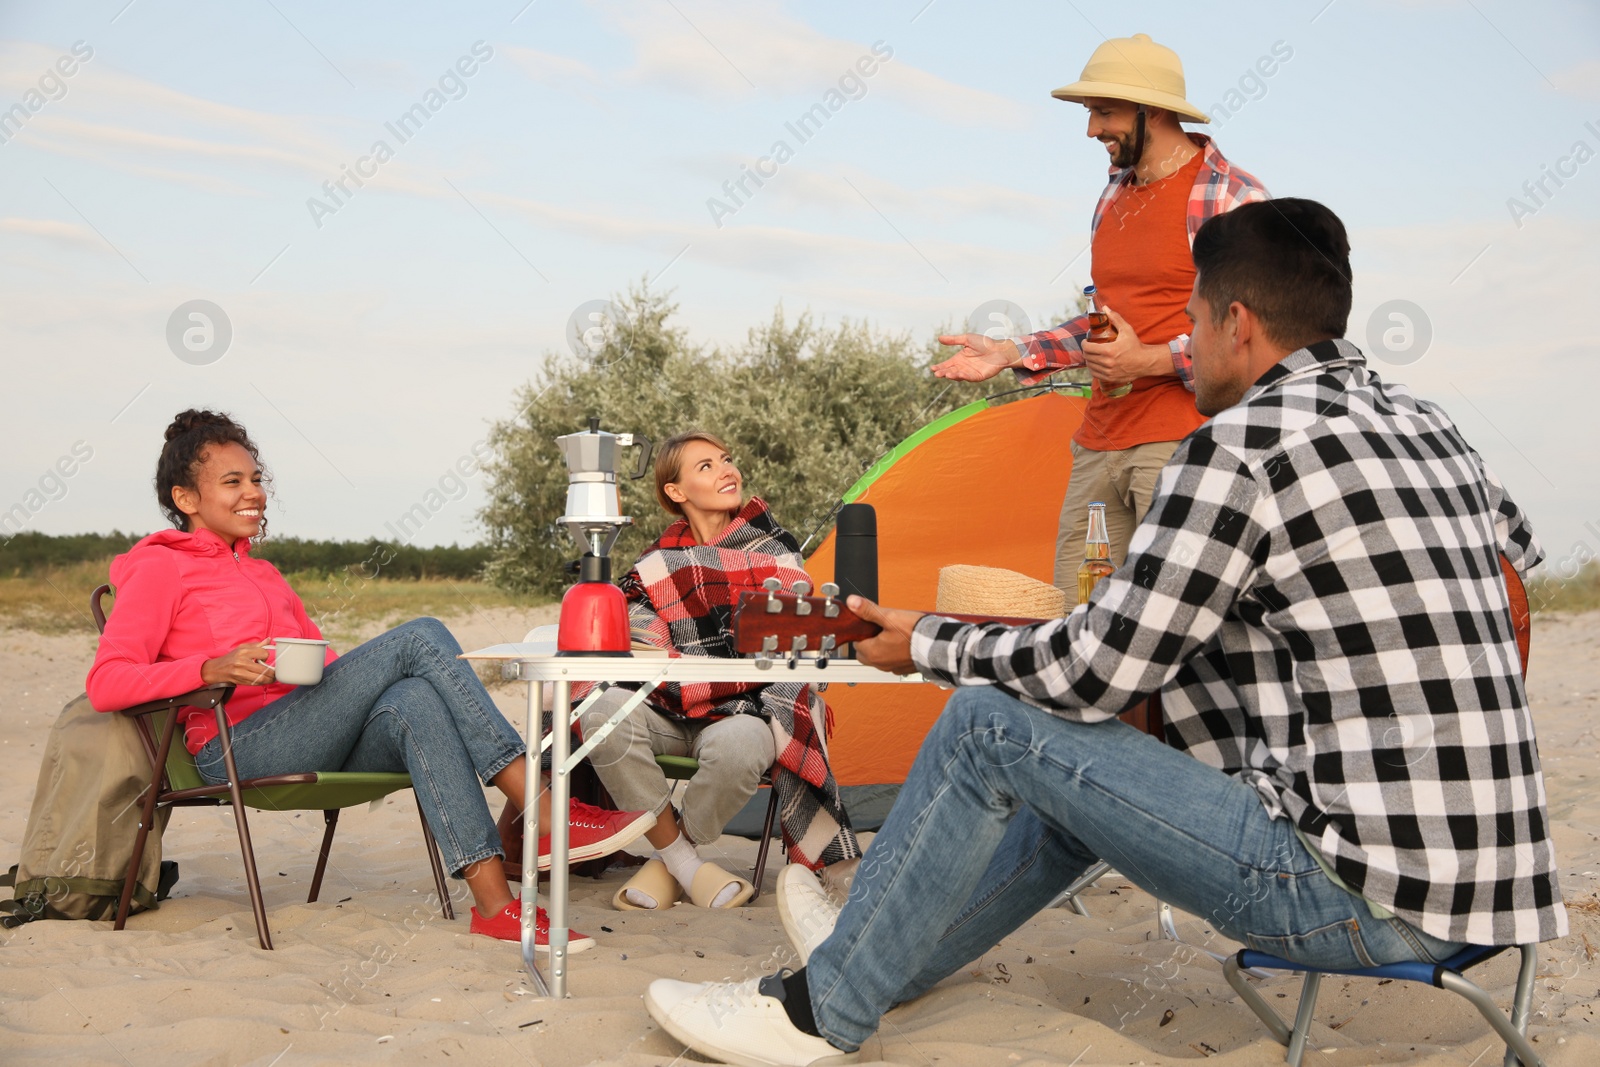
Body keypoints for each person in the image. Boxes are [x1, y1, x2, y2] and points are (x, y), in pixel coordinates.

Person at [642, 199, 1566, 1066]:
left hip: (1355, 893)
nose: (1183, 350)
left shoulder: (1240, 446)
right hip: (1497, 885)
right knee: (1087, 761)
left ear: (1237, 322)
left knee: (987, 724)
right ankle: (873, 959)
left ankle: (814, 1012)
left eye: (1191, 325)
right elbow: (1508, 574)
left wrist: (922, 637)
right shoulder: (1427, 422)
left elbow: (1092, 672)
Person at [86, 410, 655, 951]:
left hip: (305, 726)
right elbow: (107, 682)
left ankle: (492, 906)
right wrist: (208, 669)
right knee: (420, 635)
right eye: (232, 481)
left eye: (257, 479)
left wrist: (334, 669)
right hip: (234, 746)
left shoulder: (263, 572)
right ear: (186, 499)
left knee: (413, 698)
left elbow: (324, 667)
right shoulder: (160, 565)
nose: (254, 493)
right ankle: (547, 809)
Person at [933, 32, 1268, 593]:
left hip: (1185, 443)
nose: (1092, 130)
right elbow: (1106, 321)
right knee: (1077, 625)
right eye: (1091, 113)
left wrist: (1152, 362)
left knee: (1175, 626)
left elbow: (1252, 331)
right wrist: (1012, 351)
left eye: (1104, 112)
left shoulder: (1232, 196)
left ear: (1153, 110)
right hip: (1098, 444)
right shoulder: (1114, 195)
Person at [575, 431, 860, 912]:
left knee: (744, 745)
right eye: (706, 466)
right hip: (668, 707)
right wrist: (697, 674)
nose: (727, 470)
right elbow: (643, 646)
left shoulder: (775, 551)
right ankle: (686, 864)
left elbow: (785, 646)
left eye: (726, 460)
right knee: (601, 712)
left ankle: (672, 859)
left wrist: (697, 675)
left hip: (741, 710)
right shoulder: (655, 564)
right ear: (676, 491)